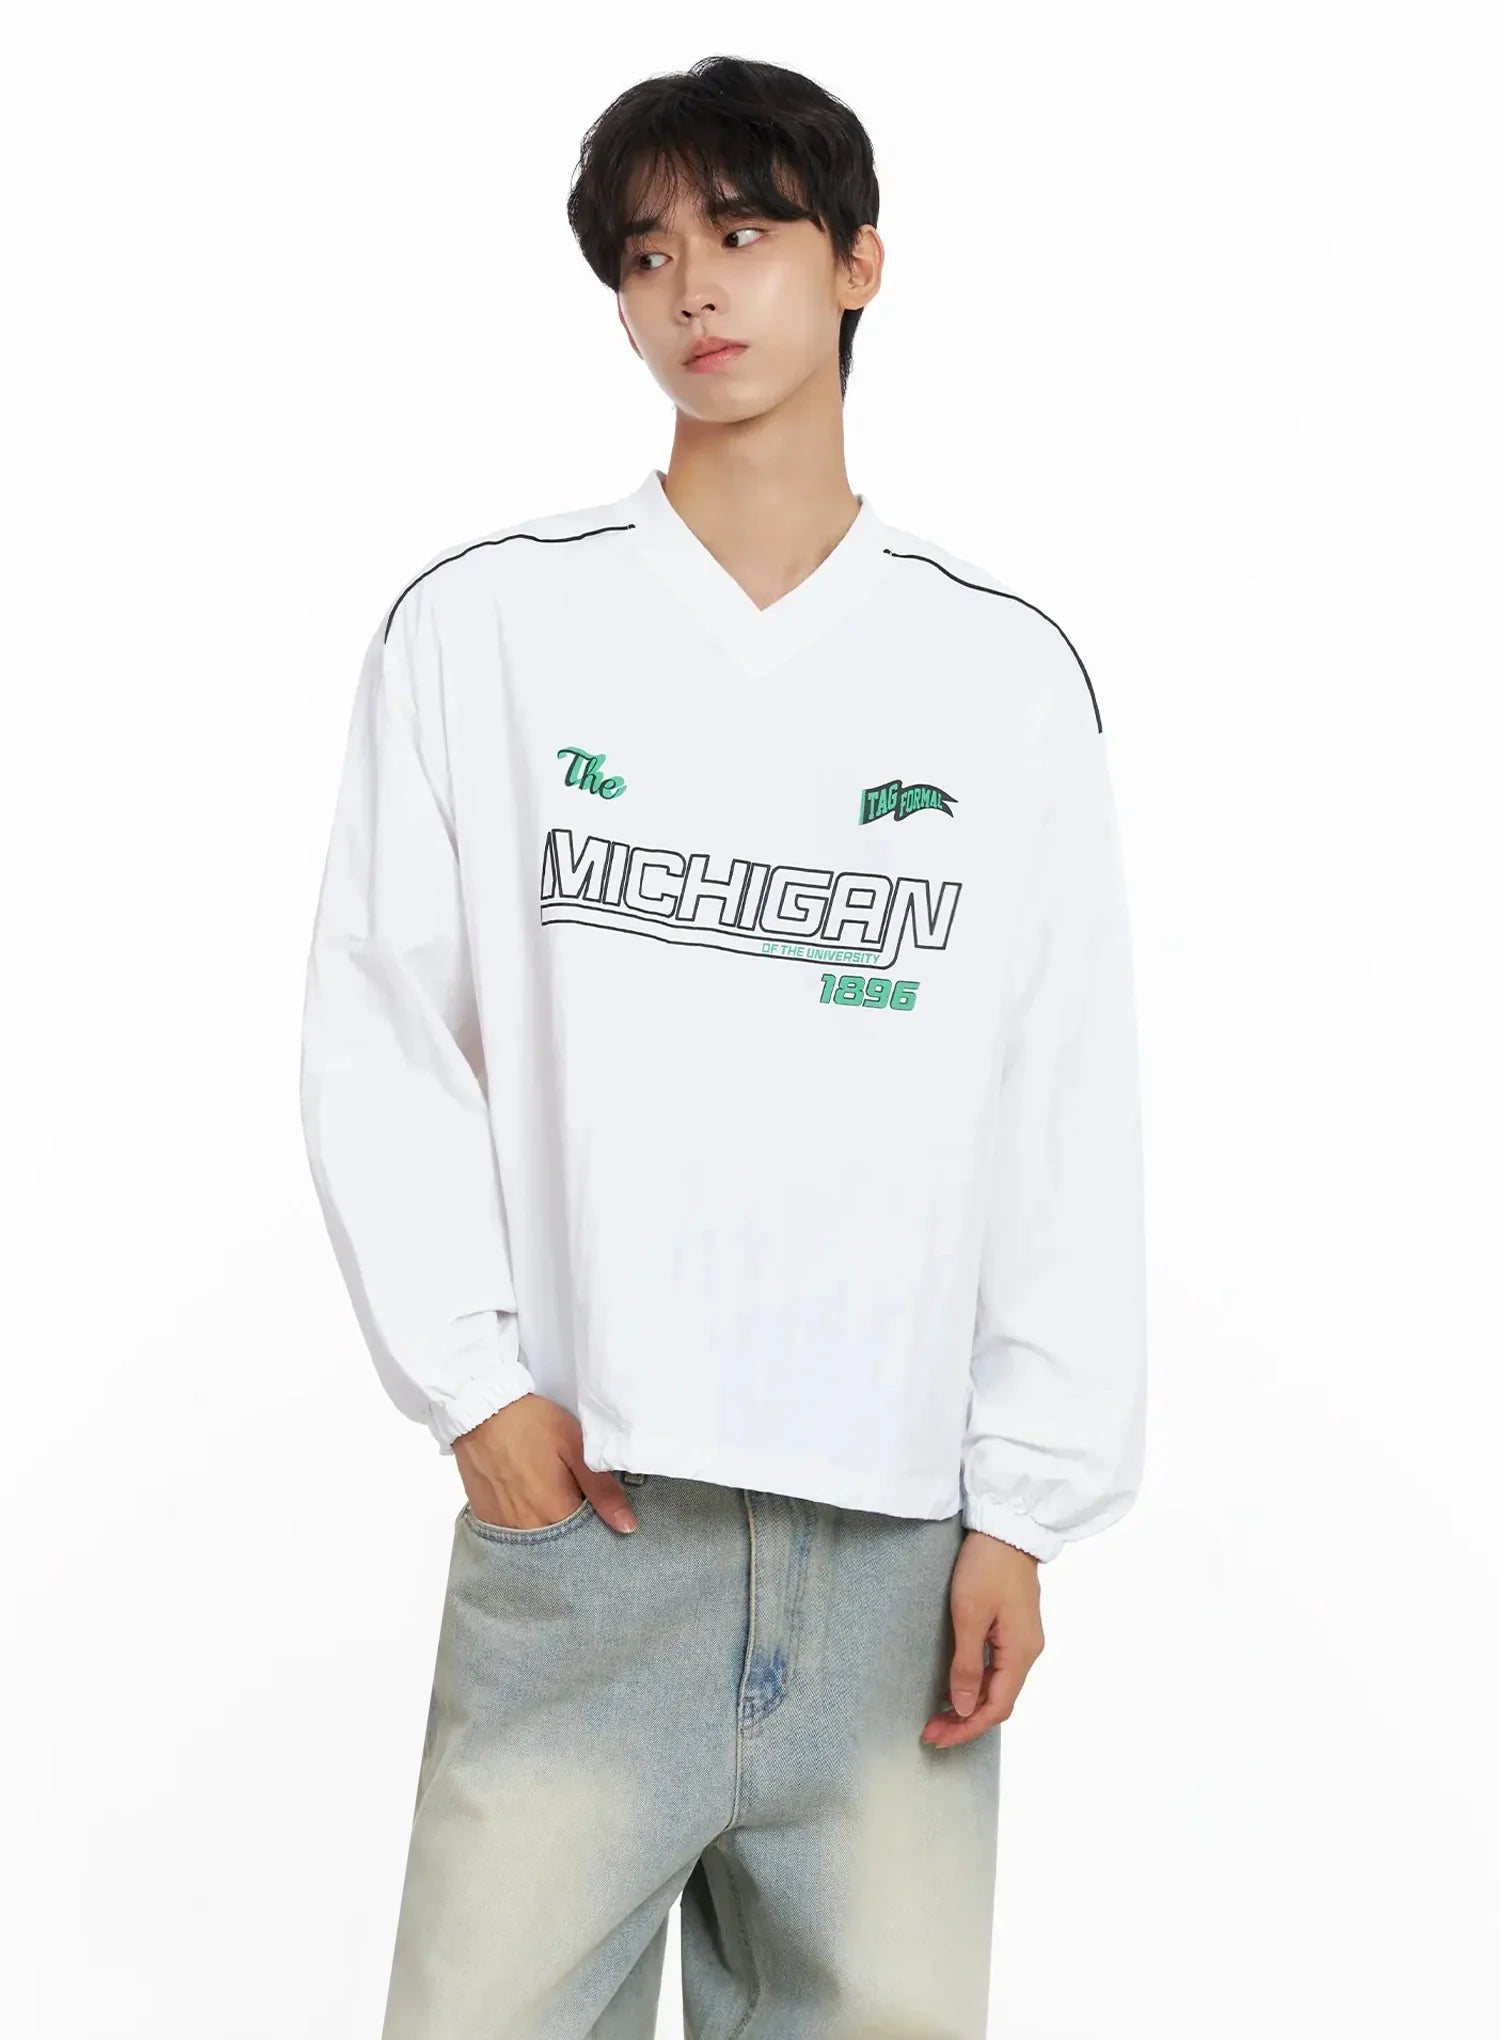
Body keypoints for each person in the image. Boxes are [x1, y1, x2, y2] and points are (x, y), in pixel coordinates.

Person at [299, 52, 1146, 2040]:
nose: (693, 286)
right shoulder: (489, 634)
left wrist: (1023, 1505)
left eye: (745, 232)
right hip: (590, 1529)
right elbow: (377, 1024)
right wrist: (474, 1391)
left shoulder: (1000, 680)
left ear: (858, 263)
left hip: (894, 1547)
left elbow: (1059, 1100)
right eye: (646, 253)